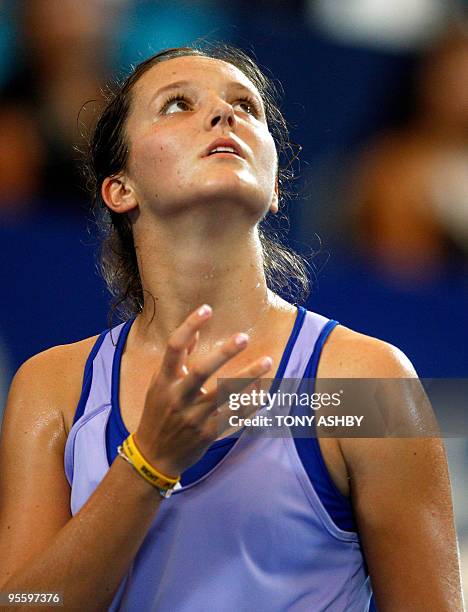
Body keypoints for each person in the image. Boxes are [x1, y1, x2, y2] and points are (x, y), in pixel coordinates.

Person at [0, 45, 463, 611]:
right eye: (177, 105)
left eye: (245, 106)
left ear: (274, 189)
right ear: (119, 187)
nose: (226, 115)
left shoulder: (367, 384)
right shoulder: (53, 387)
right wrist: (149, 463)